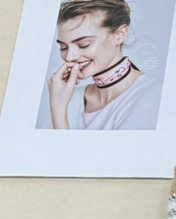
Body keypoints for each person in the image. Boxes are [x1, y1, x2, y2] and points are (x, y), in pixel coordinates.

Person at [47, 1, 161, 130]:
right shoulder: (66, 98)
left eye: (83, 44)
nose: (69, 57)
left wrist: (59, 111)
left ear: (119, 35)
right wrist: (58, 107)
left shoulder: (153, 96)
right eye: (63, 47)